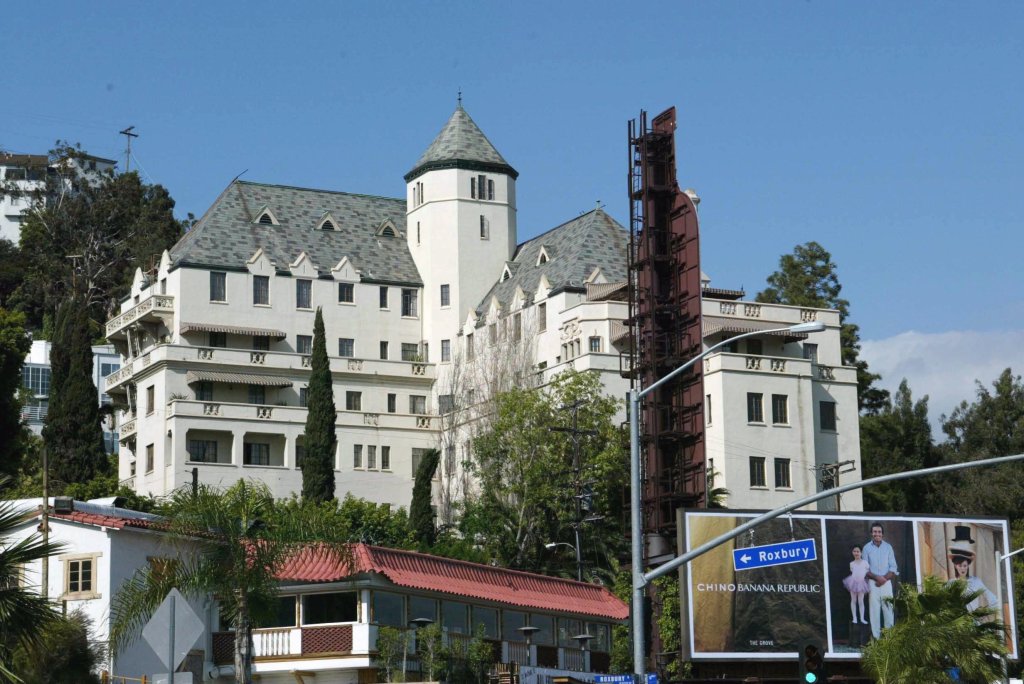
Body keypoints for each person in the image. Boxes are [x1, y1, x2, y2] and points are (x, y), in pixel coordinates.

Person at [862, 522, 898, 639]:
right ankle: (876, 638)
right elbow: (865, 568)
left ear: (882, 534)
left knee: (888, 609)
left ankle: (889, 638)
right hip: (873, 583)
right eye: (875, 532)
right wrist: (877, 578)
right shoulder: (866, 548)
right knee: (874, 611)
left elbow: (893, 567)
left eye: (879, 532)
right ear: (871, 533)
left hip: (886, 582)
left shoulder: (888, 547)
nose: (877, 534)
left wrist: (884, 579)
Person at [842, 545, 870, 624]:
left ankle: (862, 618)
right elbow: (853, 572)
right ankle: (854, 618)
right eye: (854, 551)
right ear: (852, 552)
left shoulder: (865, 563)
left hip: (861, 583)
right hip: (853, 582)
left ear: (861, 553)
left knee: (861, 601)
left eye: (858, 551)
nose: (856, 553)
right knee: (853, 600)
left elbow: (867, 572)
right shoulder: (851, 564)